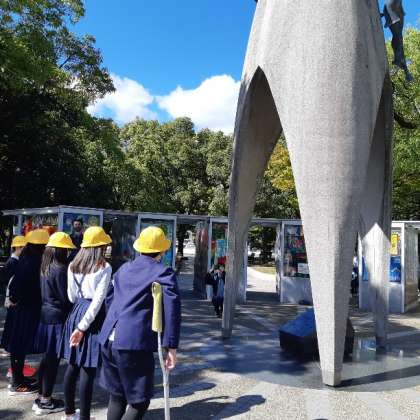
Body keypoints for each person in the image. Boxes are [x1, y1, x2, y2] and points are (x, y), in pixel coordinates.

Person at [99, 226, 181, 420]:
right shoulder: (163, 272)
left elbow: (109, 298)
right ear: (162, 250)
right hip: (133, 342)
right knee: (139, 401)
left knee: (117, 396)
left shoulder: (124, 268)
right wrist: (171, 347)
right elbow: (172, 311)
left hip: (109, 337)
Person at [60, 226, 112, 420]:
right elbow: (98, 302)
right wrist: (83, 327)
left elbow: (71, 296)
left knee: (72, 365)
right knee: (88, 370)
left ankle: (69, 413)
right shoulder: (104, 267)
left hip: (76, 311)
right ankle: (84, 417)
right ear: (100, 247)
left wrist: (79, 321)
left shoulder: (73, 264)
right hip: (91, 318)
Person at [1, 229, 50, 395]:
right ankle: (17, 383)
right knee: (19, 345)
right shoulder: (33, 263)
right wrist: (16, 299)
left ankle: (19, 378)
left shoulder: (26, 259)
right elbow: (19, 287)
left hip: (21, 309)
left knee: (18, 346)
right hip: (25, 310)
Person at [32, 232, 75, 415]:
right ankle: (46, 400)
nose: (67, 253)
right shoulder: (60, 269)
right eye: (66, 250)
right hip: (56, 318)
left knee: (46, 359)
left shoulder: (46, 266)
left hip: (45, 316)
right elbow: (66, 298)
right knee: (52, 361)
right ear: (59, 250)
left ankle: (41, 395)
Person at [2, 235, 26, 302]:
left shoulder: (14, 261)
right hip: (12, 297)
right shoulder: (13, 262)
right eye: (23, 248)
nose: (25, 250)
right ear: (17, 247)